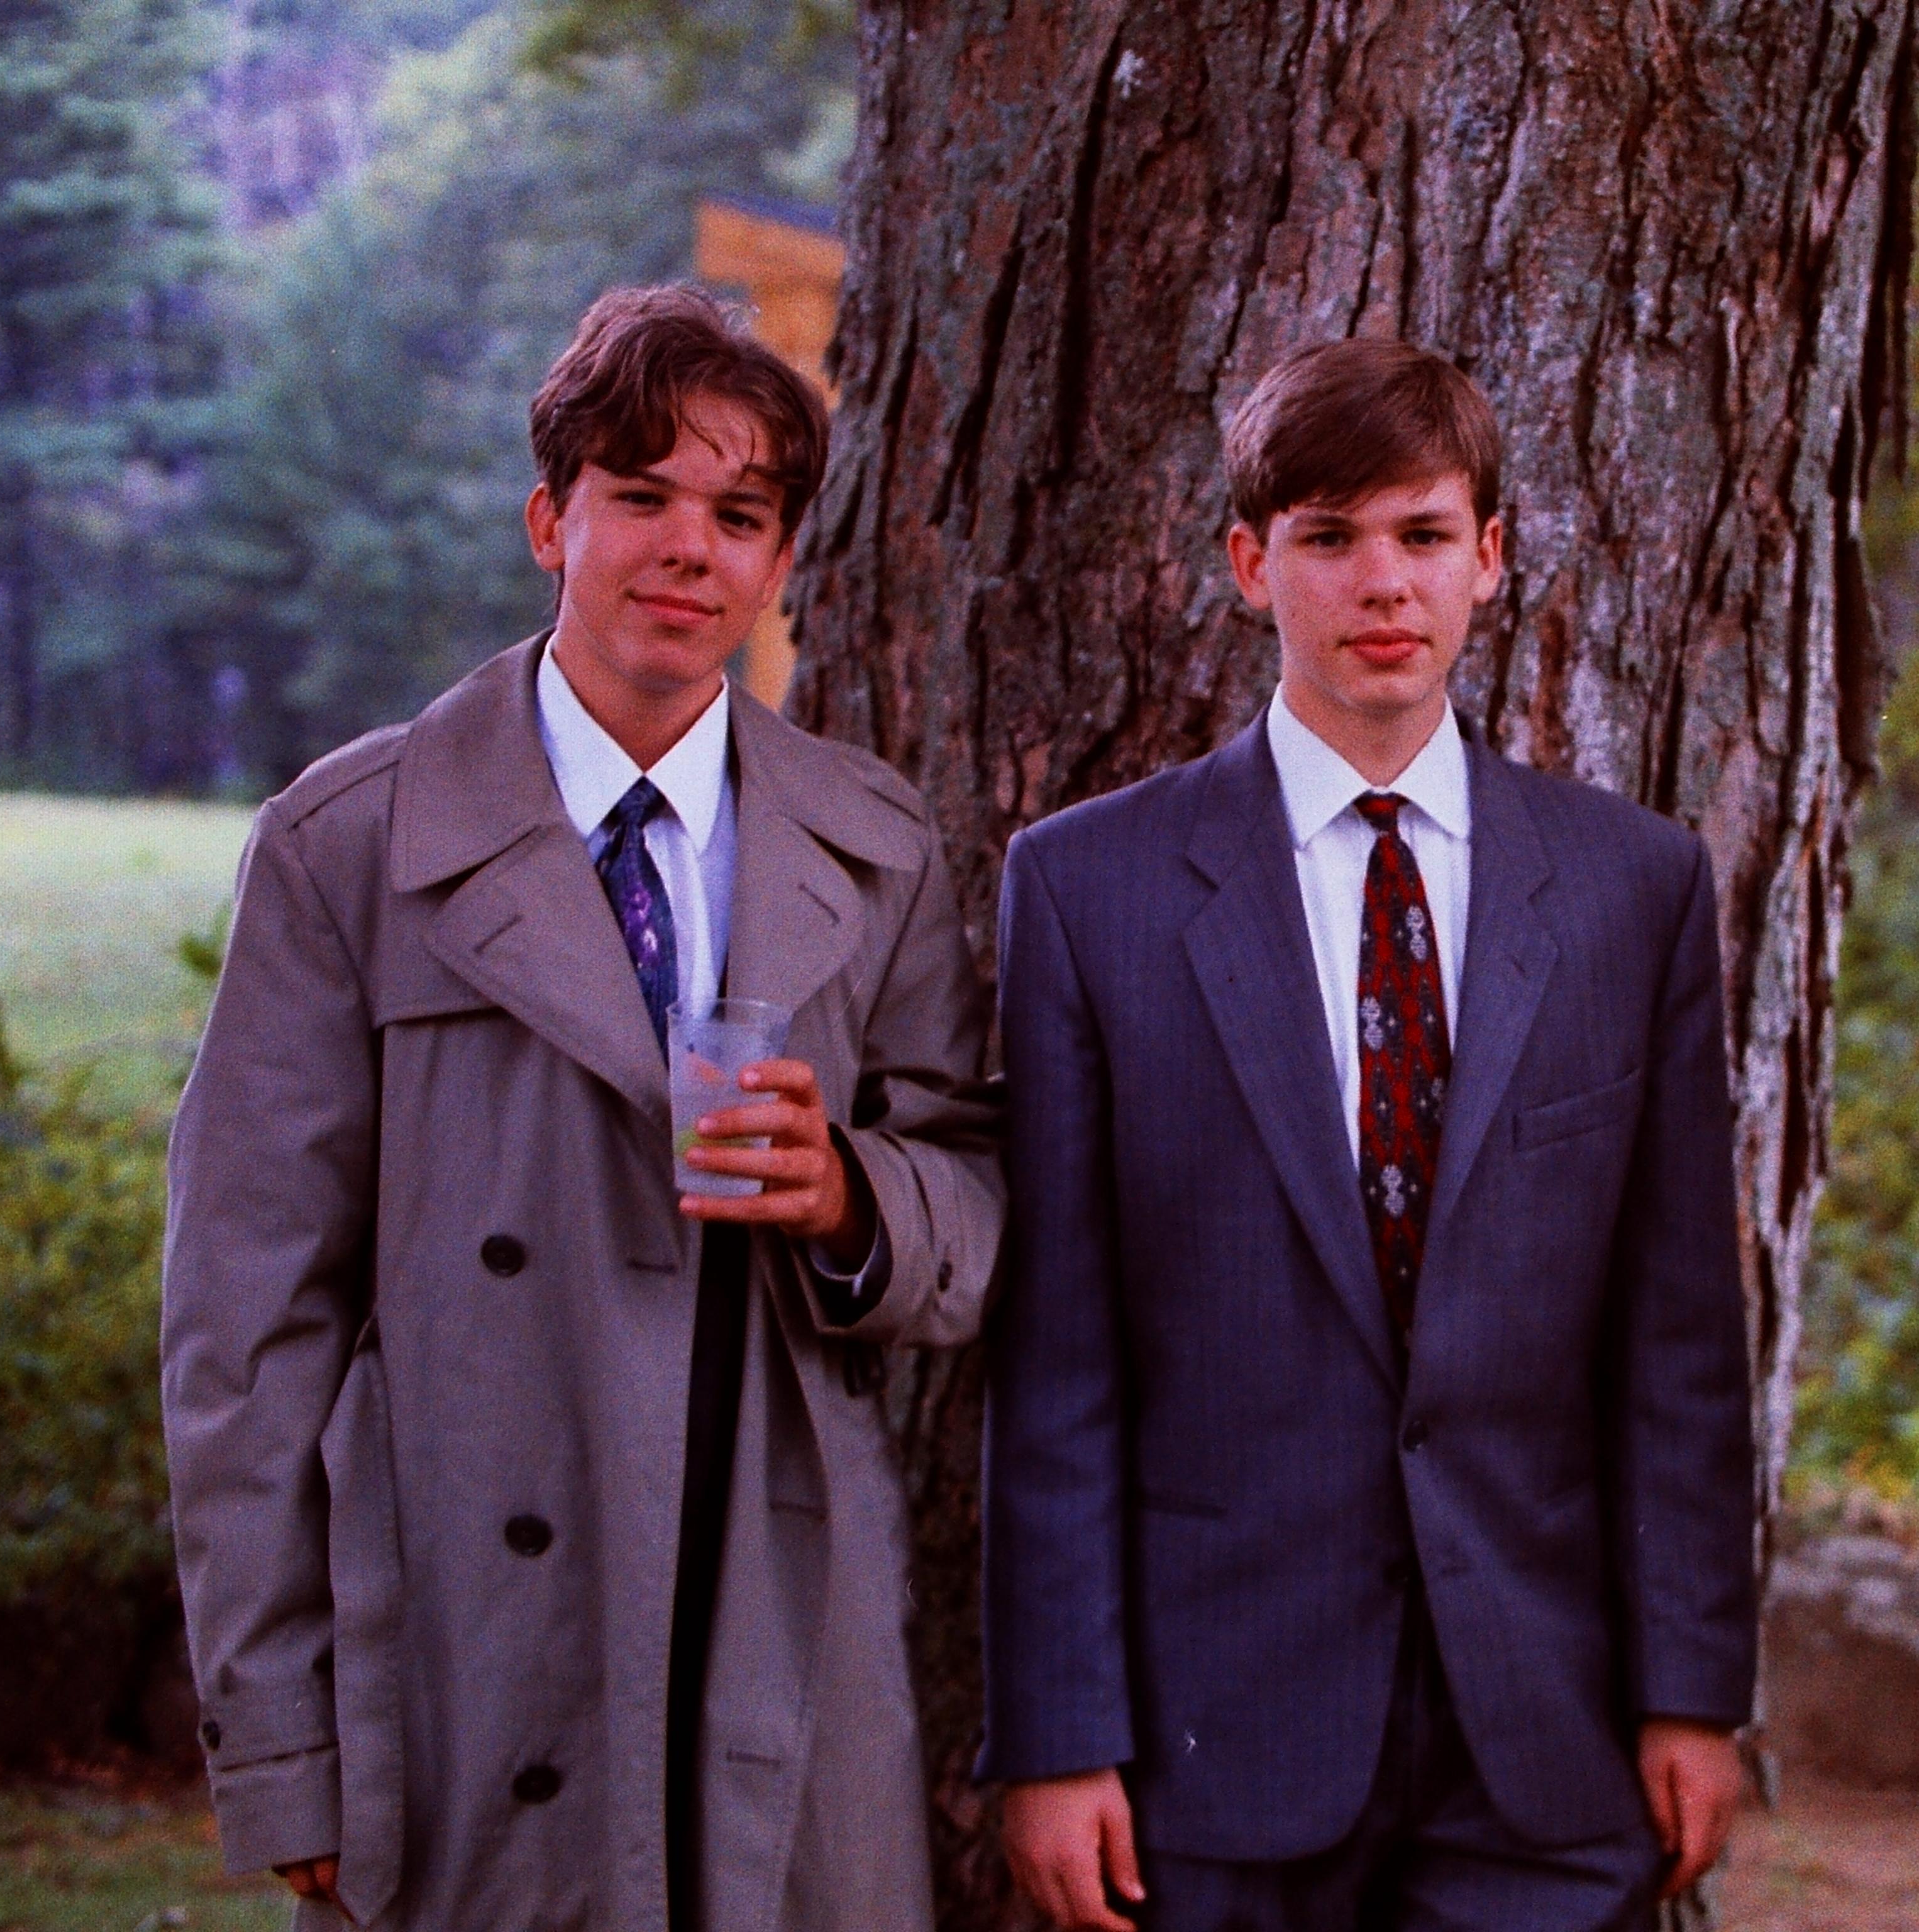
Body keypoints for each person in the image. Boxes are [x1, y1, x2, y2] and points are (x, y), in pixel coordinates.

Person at [162, 284, 1003, 1932]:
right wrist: (281, 1744)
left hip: (775, 1618)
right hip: (468, 1650)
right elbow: (241, 1337)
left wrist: (849, 1196)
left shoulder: (872, 845)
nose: (688, 548)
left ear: (781, 562)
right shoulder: (349, 848)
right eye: (641, 496)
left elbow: (978, 1190)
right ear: (551, 520)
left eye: (738, 516)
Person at [982, 339, 1755, 1932]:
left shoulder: (1630, 887)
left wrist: (1691, 1689)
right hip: (1209, 1738)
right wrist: (1055, 1733)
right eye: (1326, 537)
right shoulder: (1086, 889)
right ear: (1248, 563)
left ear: (1489, 555)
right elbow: (1055, 1355)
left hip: (1541, 1732)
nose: (1379, 582)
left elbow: (1676, 1339)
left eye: (1420, 533)